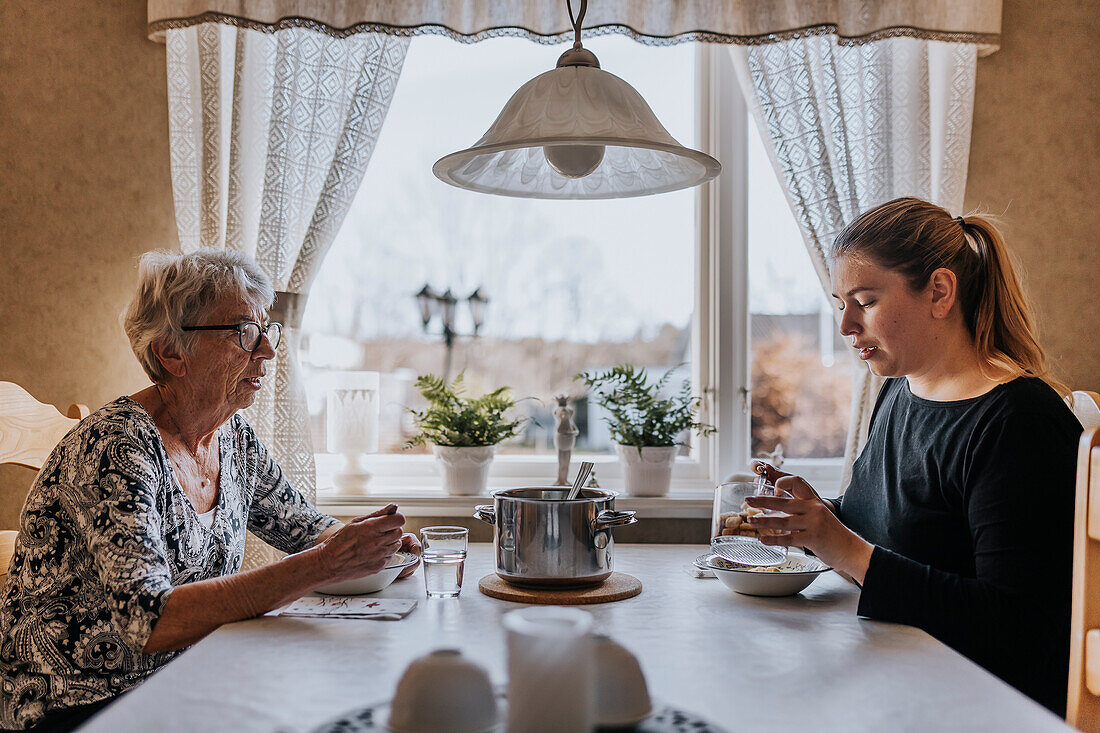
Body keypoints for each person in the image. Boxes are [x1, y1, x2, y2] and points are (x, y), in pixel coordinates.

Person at [0, 249, 421, 731]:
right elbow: (148, 620)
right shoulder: (115, 446)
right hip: (79, 708)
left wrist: (374, 548)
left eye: (267, 331)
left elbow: (304, 528)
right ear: (171, 353)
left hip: (183, 681)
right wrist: (324, 564)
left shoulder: (232, 438)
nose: (265, 350)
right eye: (244, 332)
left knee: (347, 701)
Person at [744, 197, 1082, 715]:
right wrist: (812, 519)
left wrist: (844, 548)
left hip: (983, 710)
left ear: (940, 292)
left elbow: (1020, 629)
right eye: (841, 304)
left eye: (866, 300)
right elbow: (893, 532)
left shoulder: (1018, 423)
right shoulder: (898, 393)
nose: (846, 326)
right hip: (898, 680)